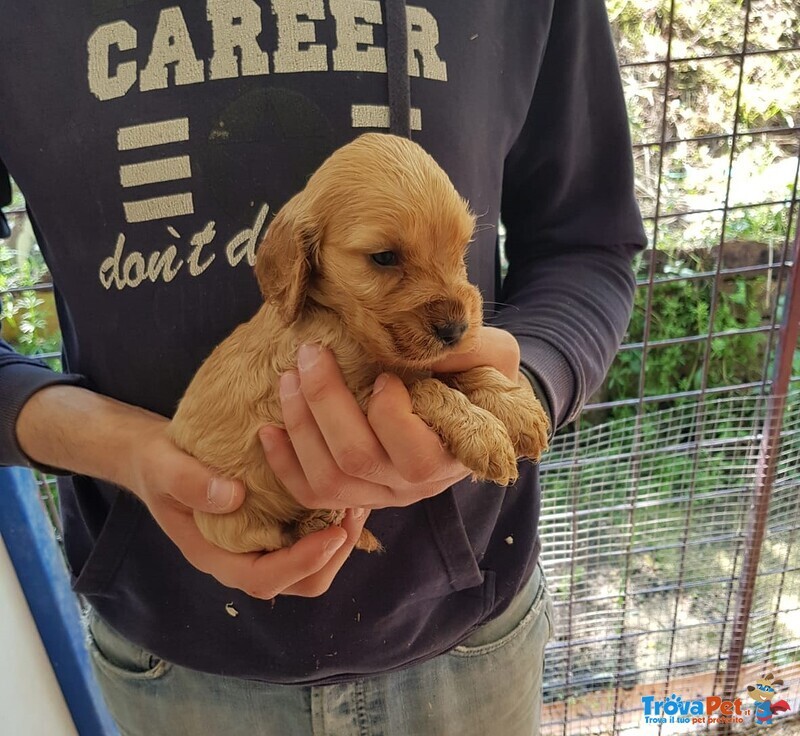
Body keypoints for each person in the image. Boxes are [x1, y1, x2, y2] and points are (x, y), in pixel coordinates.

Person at [0, 0, 646, 733]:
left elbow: (589, 242)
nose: (447, 299)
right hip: (173, 654)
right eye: (384, 259)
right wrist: (124, 449)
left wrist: (524, 378)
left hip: (469, 636)